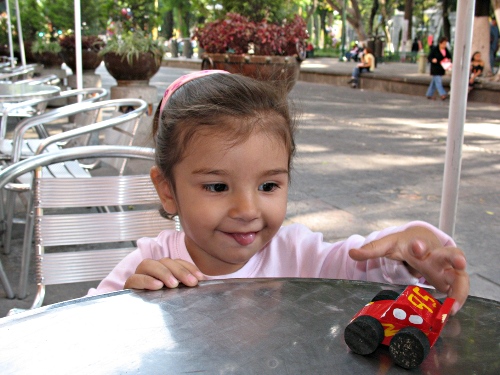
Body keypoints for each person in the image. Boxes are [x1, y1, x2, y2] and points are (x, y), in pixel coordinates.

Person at [87, 70, 469, 315]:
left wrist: (414, 253)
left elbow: (368, 262)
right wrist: (128, 304)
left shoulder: (301, 256)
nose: (247, 208)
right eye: (217, 186)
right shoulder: (150, 264)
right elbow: (74, 331)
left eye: (268, 185)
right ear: (167, 190)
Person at [425, 36, 452, 100]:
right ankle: (442, 94)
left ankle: (429, 94)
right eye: (443, 44)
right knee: (438, 81)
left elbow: (449, 56)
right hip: (435, 68)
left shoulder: (446, 50)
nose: (444, 45)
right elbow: (429, 57)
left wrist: (449, 60)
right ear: (440, 43)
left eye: (445, 44)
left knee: (434, 82)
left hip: (441, 68)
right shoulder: (435, 49)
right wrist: (432, 60)